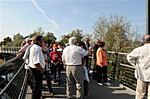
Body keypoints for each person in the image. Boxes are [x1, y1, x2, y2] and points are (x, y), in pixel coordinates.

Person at [127, 35, 150, 99]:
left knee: (140, 93)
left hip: (141, 74)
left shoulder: (139, 49)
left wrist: (135, 65)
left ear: (144, 41)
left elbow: (129, 57)